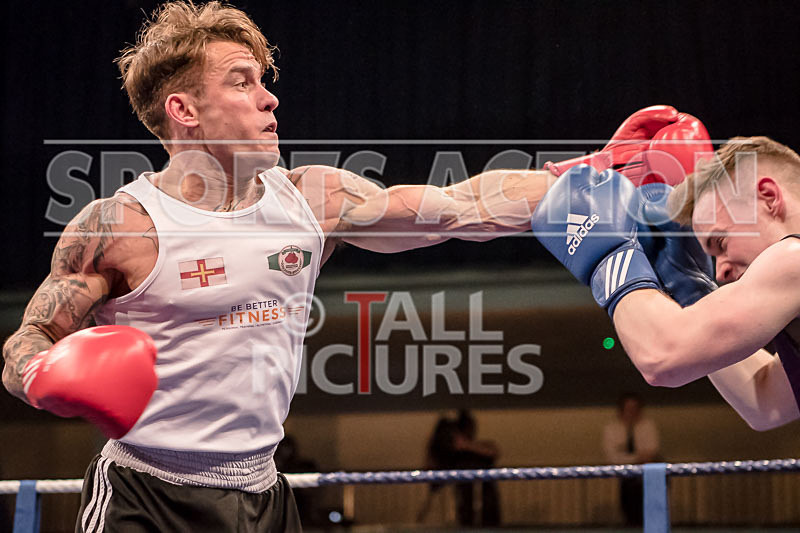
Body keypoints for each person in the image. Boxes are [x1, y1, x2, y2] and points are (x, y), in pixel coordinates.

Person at [0, 1, 711, 531]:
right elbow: (28, 338)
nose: (269, 96)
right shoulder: (118, 226)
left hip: (266, 493)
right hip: (145, 497)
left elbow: (458, 205)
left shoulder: (312, 198)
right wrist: (44, 373)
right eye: (243, 82)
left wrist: (587, 179)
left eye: (263, 79)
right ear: (183, 109)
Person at [531, 135, 800, 433]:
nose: (720, 272)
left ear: (770, 197)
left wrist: (610, 258)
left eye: (721, 242)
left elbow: (661, 357)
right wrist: (693, 292)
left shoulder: (794, 258)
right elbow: (764, 401)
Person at [602, 393, 660, 526]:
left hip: (649, 476)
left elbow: (651, 451)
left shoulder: (647, 426)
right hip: (625, 478)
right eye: (628, 408)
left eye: (635, 408)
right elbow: (612, 457)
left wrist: (628, 457)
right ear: (620, 410)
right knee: (630, 512)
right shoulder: (611, 429)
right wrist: (636, 458)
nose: (632, 412)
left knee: (653, 511)